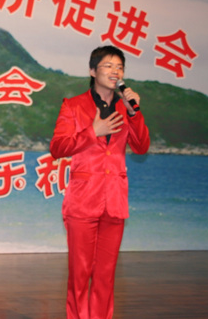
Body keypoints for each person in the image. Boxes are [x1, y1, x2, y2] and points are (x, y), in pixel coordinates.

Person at [50, 45, 150, 319]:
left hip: (114, 201)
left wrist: (134, 113)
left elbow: (141, 147)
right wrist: (93, 131)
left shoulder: (125, 107)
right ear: (93, 71)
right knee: (80, 274)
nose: (115, 71)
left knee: (105, 275)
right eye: (108, 66)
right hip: (83, 201)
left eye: (120, 67)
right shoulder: (73, 105)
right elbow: (57, 148)